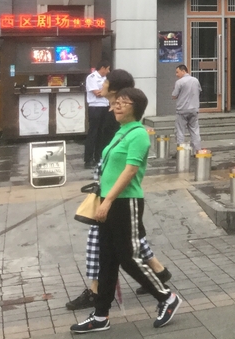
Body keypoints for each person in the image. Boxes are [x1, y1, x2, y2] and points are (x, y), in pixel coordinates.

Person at [70, 88, 181, 333]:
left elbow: (130, 171)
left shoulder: (139, 134)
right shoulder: (121, 132)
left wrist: (108, 201)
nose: (117, 106)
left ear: (136, 108)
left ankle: (166, 298)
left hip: (125, 202)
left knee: (128, 257)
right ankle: (100, 316)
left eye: (123, 102)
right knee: (106, 260)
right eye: (116, 102)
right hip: (109, 201)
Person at [84, 61, 111, 168]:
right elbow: (97, 93)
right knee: (93, 133)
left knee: (102, 133)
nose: (108, 71)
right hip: (95, 107)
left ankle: (98, 157)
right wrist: (105, 92)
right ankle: (88, 159)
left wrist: (104, 92)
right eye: (108, 69)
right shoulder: (92, 77)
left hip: (105, 106)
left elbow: (106, 92)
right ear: (103, 68)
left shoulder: (106, 79)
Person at [172, 64, 203, 152]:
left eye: (177, 72)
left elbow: (174, 96)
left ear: (183, 71)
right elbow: (199, 91)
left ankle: (181, 152)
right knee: (195, 131)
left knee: (180, 132)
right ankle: (197, 150)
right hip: (194, 110)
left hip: (182, 110)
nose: (176, 74)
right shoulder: (195, 80)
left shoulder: (179, 82)